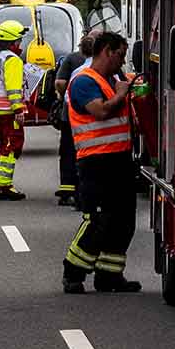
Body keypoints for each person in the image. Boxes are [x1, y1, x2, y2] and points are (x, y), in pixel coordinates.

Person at [62, 31, 141, 294]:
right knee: (98, 219)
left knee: (123, 220)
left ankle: (109, 275)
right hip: (95, 163)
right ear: (106, 50)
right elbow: (102, 111)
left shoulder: (113, 79)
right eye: (119, 55)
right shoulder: (83, 81)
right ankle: (73, 272)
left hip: (119, 159)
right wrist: (121, 93)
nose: (122, 61)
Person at [0, 20, 28, 200]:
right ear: (13, 42)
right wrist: (18, 109)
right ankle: (3, 186)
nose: (20, 44)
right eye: (19, 40)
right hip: (8, 110)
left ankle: (3, 184)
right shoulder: (12, 59)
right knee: (12, 146)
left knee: (5, 144)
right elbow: (13, 87)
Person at [53, 31, 98, 206]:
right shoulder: (102, 66)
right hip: (90, 117)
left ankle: (67, 189)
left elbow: (59, 82)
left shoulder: (71, 59)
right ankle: (81, 190)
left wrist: (68, 96)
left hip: (69, 114)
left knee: (67, 151)